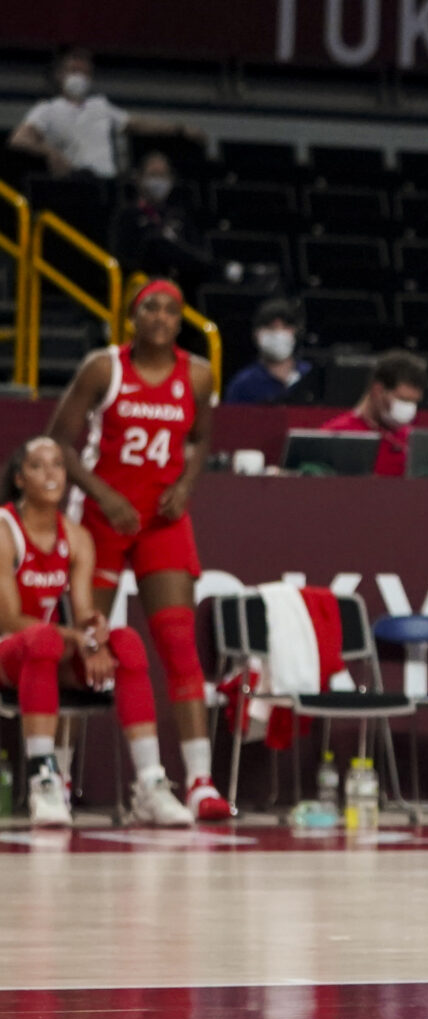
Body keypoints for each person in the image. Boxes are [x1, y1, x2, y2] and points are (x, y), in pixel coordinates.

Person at [44, 278, 229, 820]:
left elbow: (200, 440)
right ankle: (56, 774)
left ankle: (198, 781)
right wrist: (103, 493)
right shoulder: (105, 368)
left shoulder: (196, 373)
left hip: (163, 521)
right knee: (88, 645)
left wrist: (187, 485)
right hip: (103, 518)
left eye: (173, 309)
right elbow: (59, 441)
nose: (162, 316)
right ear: (132, 316)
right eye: (151, 306)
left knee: (178, 644)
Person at [0, 437, 194, 827]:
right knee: (44, 638)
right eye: (38, 466)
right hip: (9, 649)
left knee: (127, 643)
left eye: (57, 464)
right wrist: (76, 638)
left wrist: (95, 633)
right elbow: (8, 619)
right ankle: (44, 778)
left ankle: (150, 783)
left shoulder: (76, 536)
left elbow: (85, 611)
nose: (52, 473)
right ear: (20, 479)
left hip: (48, 651)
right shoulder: (5, 529)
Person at [10, 49, 197, 180]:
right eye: (74, 71)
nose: (79, 77)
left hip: (107, 180)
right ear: (60, 74)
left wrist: (179, 128)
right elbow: (19, 139)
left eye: (84, 72)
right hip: (75, 181)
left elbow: (137, 123)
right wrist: (50, 152)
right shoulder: (47, 109)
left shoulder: (100, 105)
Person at [109, 151, 222, 294]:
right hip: (141, 286)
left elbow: (197, 253)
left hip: (180, 287)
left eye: (163, 175)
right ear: (139, 178)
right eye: (153, 174)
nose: (159, 181)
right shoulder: (127, 215)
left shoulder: (179, 216)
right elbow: (122, 256)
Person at [320, 351, 428, 477]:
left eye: (414, 402)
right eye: (403, 400)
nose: (410, 408)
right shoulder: (336, 434)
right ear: (378, 390)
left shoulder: (413, 442)